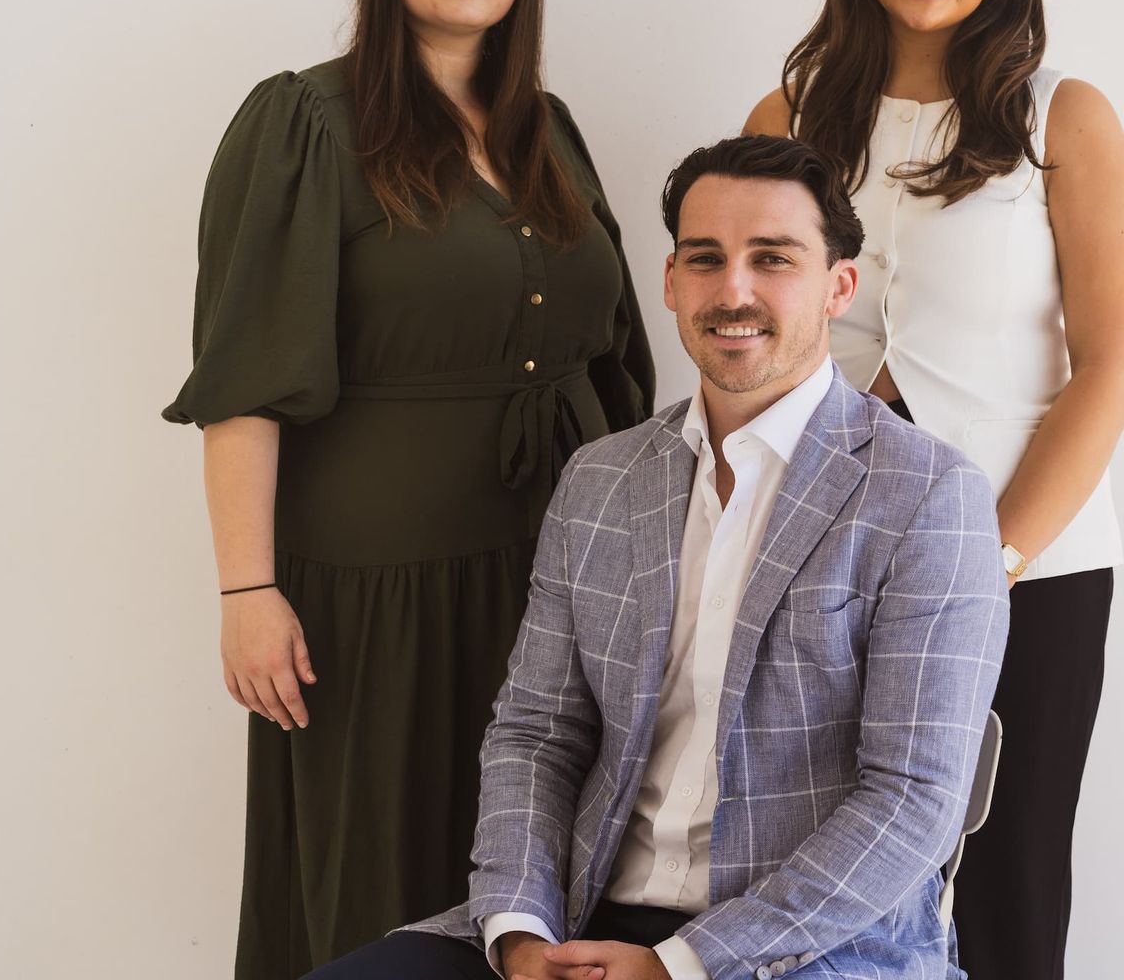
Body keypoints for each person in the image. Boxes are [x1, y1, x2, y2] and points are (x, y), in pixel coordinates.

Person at [308, 134, 1009, 979]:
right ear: (672, 282)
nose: (734, 291)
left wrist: (680, 965)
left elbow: (913, 802)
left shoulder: (931, 497)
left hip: (809, 947)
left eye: (773, 259)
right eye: (706, 259)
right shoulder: (601, 479)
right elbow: (537, 733)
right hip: (580, 910)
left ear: (839, 288)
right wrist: (522, 930)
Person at [163, 0, 654, 978]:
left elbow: (618, 354)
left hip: (554, 575)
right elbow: (246, 379)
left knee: (544, 888)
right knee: (383, 883)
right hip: (379, 593)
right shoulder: (306, 123)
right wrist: (247, 588)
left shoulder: (551, 129)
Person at [742, 0, 1124, 979]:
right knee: (837, 875)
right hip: (829, 561)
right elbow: (755, 346)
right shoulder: (787, 120)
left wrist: (992, 560)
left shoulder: (1063, 117)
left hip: (1033, 563)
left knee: (1010, 875)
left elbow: (1112, 368)